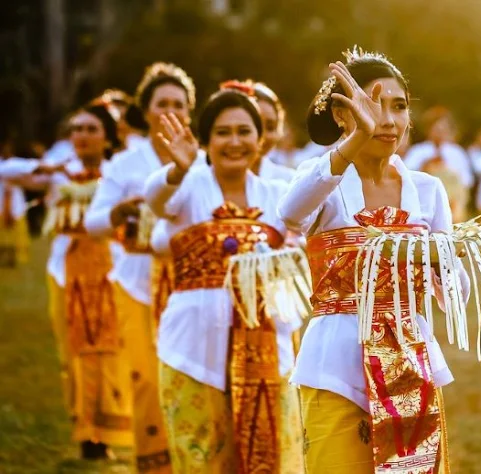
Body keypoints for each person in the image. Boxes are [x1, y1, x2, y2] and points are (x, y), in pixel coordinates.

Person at [278, 46, 474, 473]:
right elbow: (290, 214)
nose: (387, 119)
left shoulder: (427, 190)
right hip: (334, 363)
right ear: (341, 115)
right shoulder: (322, 178)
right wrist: (350, 146)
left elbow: (453, 297)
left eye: (399, 106)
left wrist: (445, 258)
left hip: (409, 361)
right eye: (371, 105)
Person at [144, 85, 303, 473]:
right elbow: (156, 200)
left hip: (267, 350)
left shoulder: (278, 194)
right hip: (192, 352)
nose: (235, 142)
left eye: (244, 131)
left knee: (272, 455)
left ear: (260, 138)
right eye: (223, 132)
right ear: (205, 141)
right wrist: (178, 169)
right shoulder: (190, 186)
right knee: (201, 457)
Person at [84, 62, 198, 473]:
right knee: (148, 379)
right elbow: (92, 223)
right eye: (161, 103)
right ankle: (154, 464)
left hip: (191, 284)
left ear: (189, 112)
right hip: (136, 282)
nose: (170, 110)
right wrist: (119, 212)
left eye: (179, 104)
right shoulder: (126, 165)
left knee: (188, 373)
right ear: (145, 111)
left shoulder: (202, 161)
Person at [8, 103, 134, 460]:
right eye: (76, 129)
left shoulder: (117, 175)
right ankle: (84, 431)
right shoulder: (59, 174)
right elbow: (5, 173)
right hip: (65, 274)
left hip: (112, 272)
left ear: (108, 137)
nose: (82, 135)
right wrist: (40, 167)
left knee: (111, 350)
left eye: (91, 129)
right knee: (73, 352)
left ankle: (108, 430)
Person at [403, 106, 474, 222]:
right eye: (436, 127)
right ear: (428, 129)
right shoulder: (418, 151)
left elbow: (467, 181)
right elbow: (406, 176)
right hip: (423, 204)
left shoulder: (457, 152)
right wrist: (425, 167)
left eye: (444, 127)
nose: (440, 131)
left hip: (453, 205)